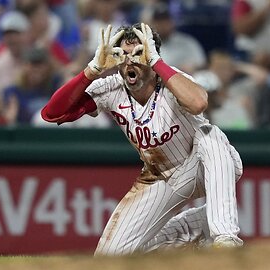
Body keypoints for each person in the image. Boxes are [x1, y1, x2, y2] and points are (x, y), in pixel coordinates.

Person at [40, 22, 244, 256]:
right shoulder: (111, 87)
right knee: (109, 258)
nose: (130, 61)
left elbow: (199, 103)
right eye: (122, 54)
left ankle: (225, 238)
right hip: (159, 177)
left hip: (202, 163)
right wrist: (93, 69)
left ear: (152, 56)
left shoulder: (172, 79)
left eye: (138, 53)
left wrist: (157, 63)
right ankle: (198, 226)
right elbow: (52, 113)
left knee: (210, 135)